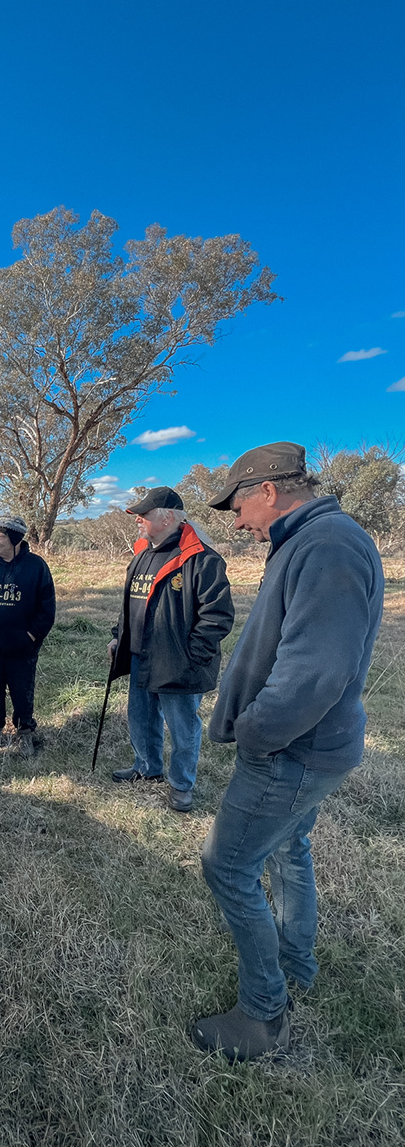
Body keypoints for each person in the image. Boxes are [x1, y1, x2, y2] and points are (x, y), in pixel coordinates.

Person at [192, 442, 383, 1061]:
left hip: (291, 750)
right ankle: (296, 965)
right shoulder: (314, 539)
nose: (238, 520)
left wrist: (256, 731)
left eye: (239, 504)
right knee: (289, 849)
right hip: (310, 747)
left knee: (229, 867)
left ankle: (264, 1017)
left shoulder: (326, 544)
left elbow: (316, 671)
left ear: (269, 490)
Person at [109, 486, 234, 812]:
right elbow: (131, 604)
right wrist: (117, 636)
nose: (137, 520)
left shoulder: (202, 559)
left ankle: (181, 786)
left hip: (179, 662)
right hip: (140, 655)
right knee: (141, 718)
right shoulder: (141, 554)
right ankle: (146, 767)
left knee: (183, 727)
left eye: (143, 515)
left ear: (166, 517)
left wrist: (194, 655)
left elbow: (217, 616)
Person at [0, 515, 56, 757]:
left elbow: (47, 608)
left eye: (1, 536)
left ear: (15, 538)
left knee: (22, 690)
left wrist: (31, 635)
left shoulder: (36, 567)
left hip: (22, 647)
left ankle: (24, 733)